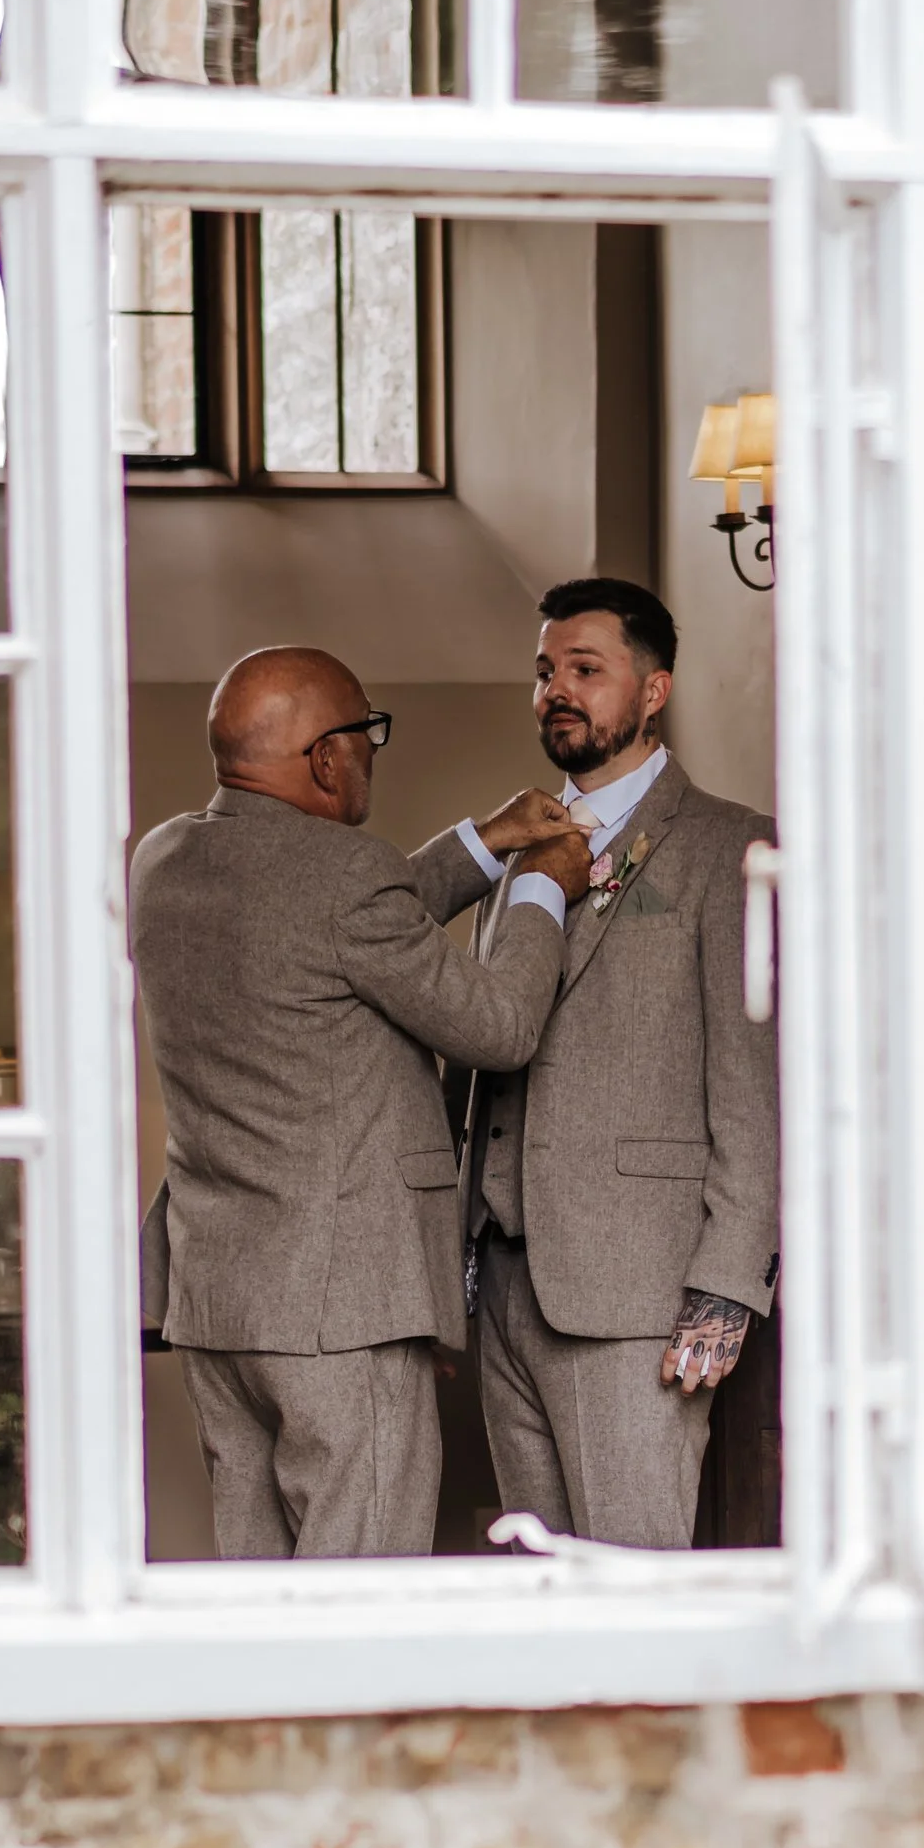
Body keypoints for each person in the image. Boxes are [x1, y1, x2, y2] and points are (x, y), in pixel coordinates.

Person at [130, 647, 591, 1560]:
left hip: (222, 1301)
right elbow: (498, 1027)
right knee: (363, 1586)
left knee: (262, 1589)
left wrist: (480, 843)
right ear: (327, 757)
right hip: (340, 1306)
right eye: (368, 732)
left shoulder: (166, 859)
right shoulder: (342, 882)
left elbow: (319, 920)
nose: (374, 753)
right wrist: (541, 887)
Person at [407, 580, 779, 1550]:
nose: (555, 692)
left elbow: (757, 1078)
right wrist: (452, 1256)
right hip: (503, 1280)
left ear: (652, 692)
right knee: (540, 1583)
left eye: (584, 670)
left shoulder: (727, 847)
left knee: (637, 1572)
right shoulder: (518, 848)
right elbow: (482, 1043)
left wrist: (729, 1281)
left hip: (639, 1293)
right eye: (543, 673)